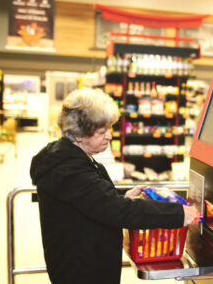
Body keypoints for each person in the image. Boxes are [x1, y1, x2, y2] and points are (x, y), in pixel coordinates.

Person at [30, 88, 198, 284]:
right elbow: (116, 210)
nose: (110, 136)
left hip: (85, 259)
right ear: (78, 134)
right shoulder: (68, 168)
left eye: (109, 128)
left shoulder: (74, 157)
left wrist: (123, 196)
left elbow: (94, 200)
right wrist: (178, 214)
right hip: (80, 270)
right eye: (102, 131)